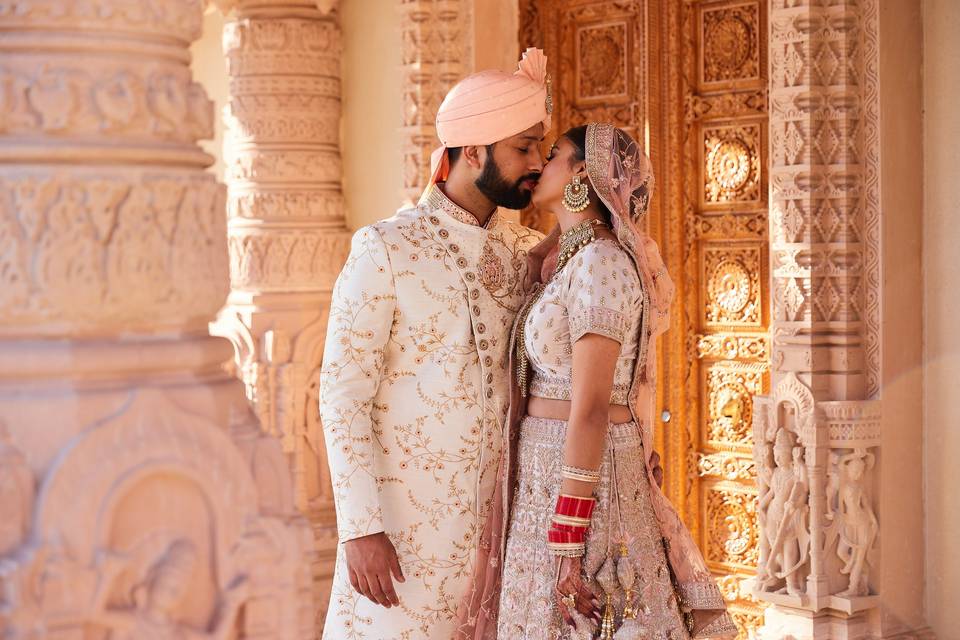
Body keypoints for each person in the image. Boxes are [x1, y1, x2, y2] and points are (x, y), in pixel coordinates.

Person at [457, 124, 736, 639]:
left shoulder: (601, 264)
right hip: (546, 471)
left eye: (556, 154)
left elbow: (589, 408)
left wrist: (568, 539)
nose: (541, 163)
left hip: (585, 482)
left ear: (583, 172)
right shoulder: (570, 261)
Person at [319, 48, 554, 639]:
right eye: (523, 148)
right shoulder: (387, 248)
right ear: (472, 151)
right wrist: (360, 527)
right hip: (403, 537)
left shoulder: (528, 250)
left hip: (503, 531)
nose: (538, 162)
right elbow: (342, 393)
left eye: (541, 147)